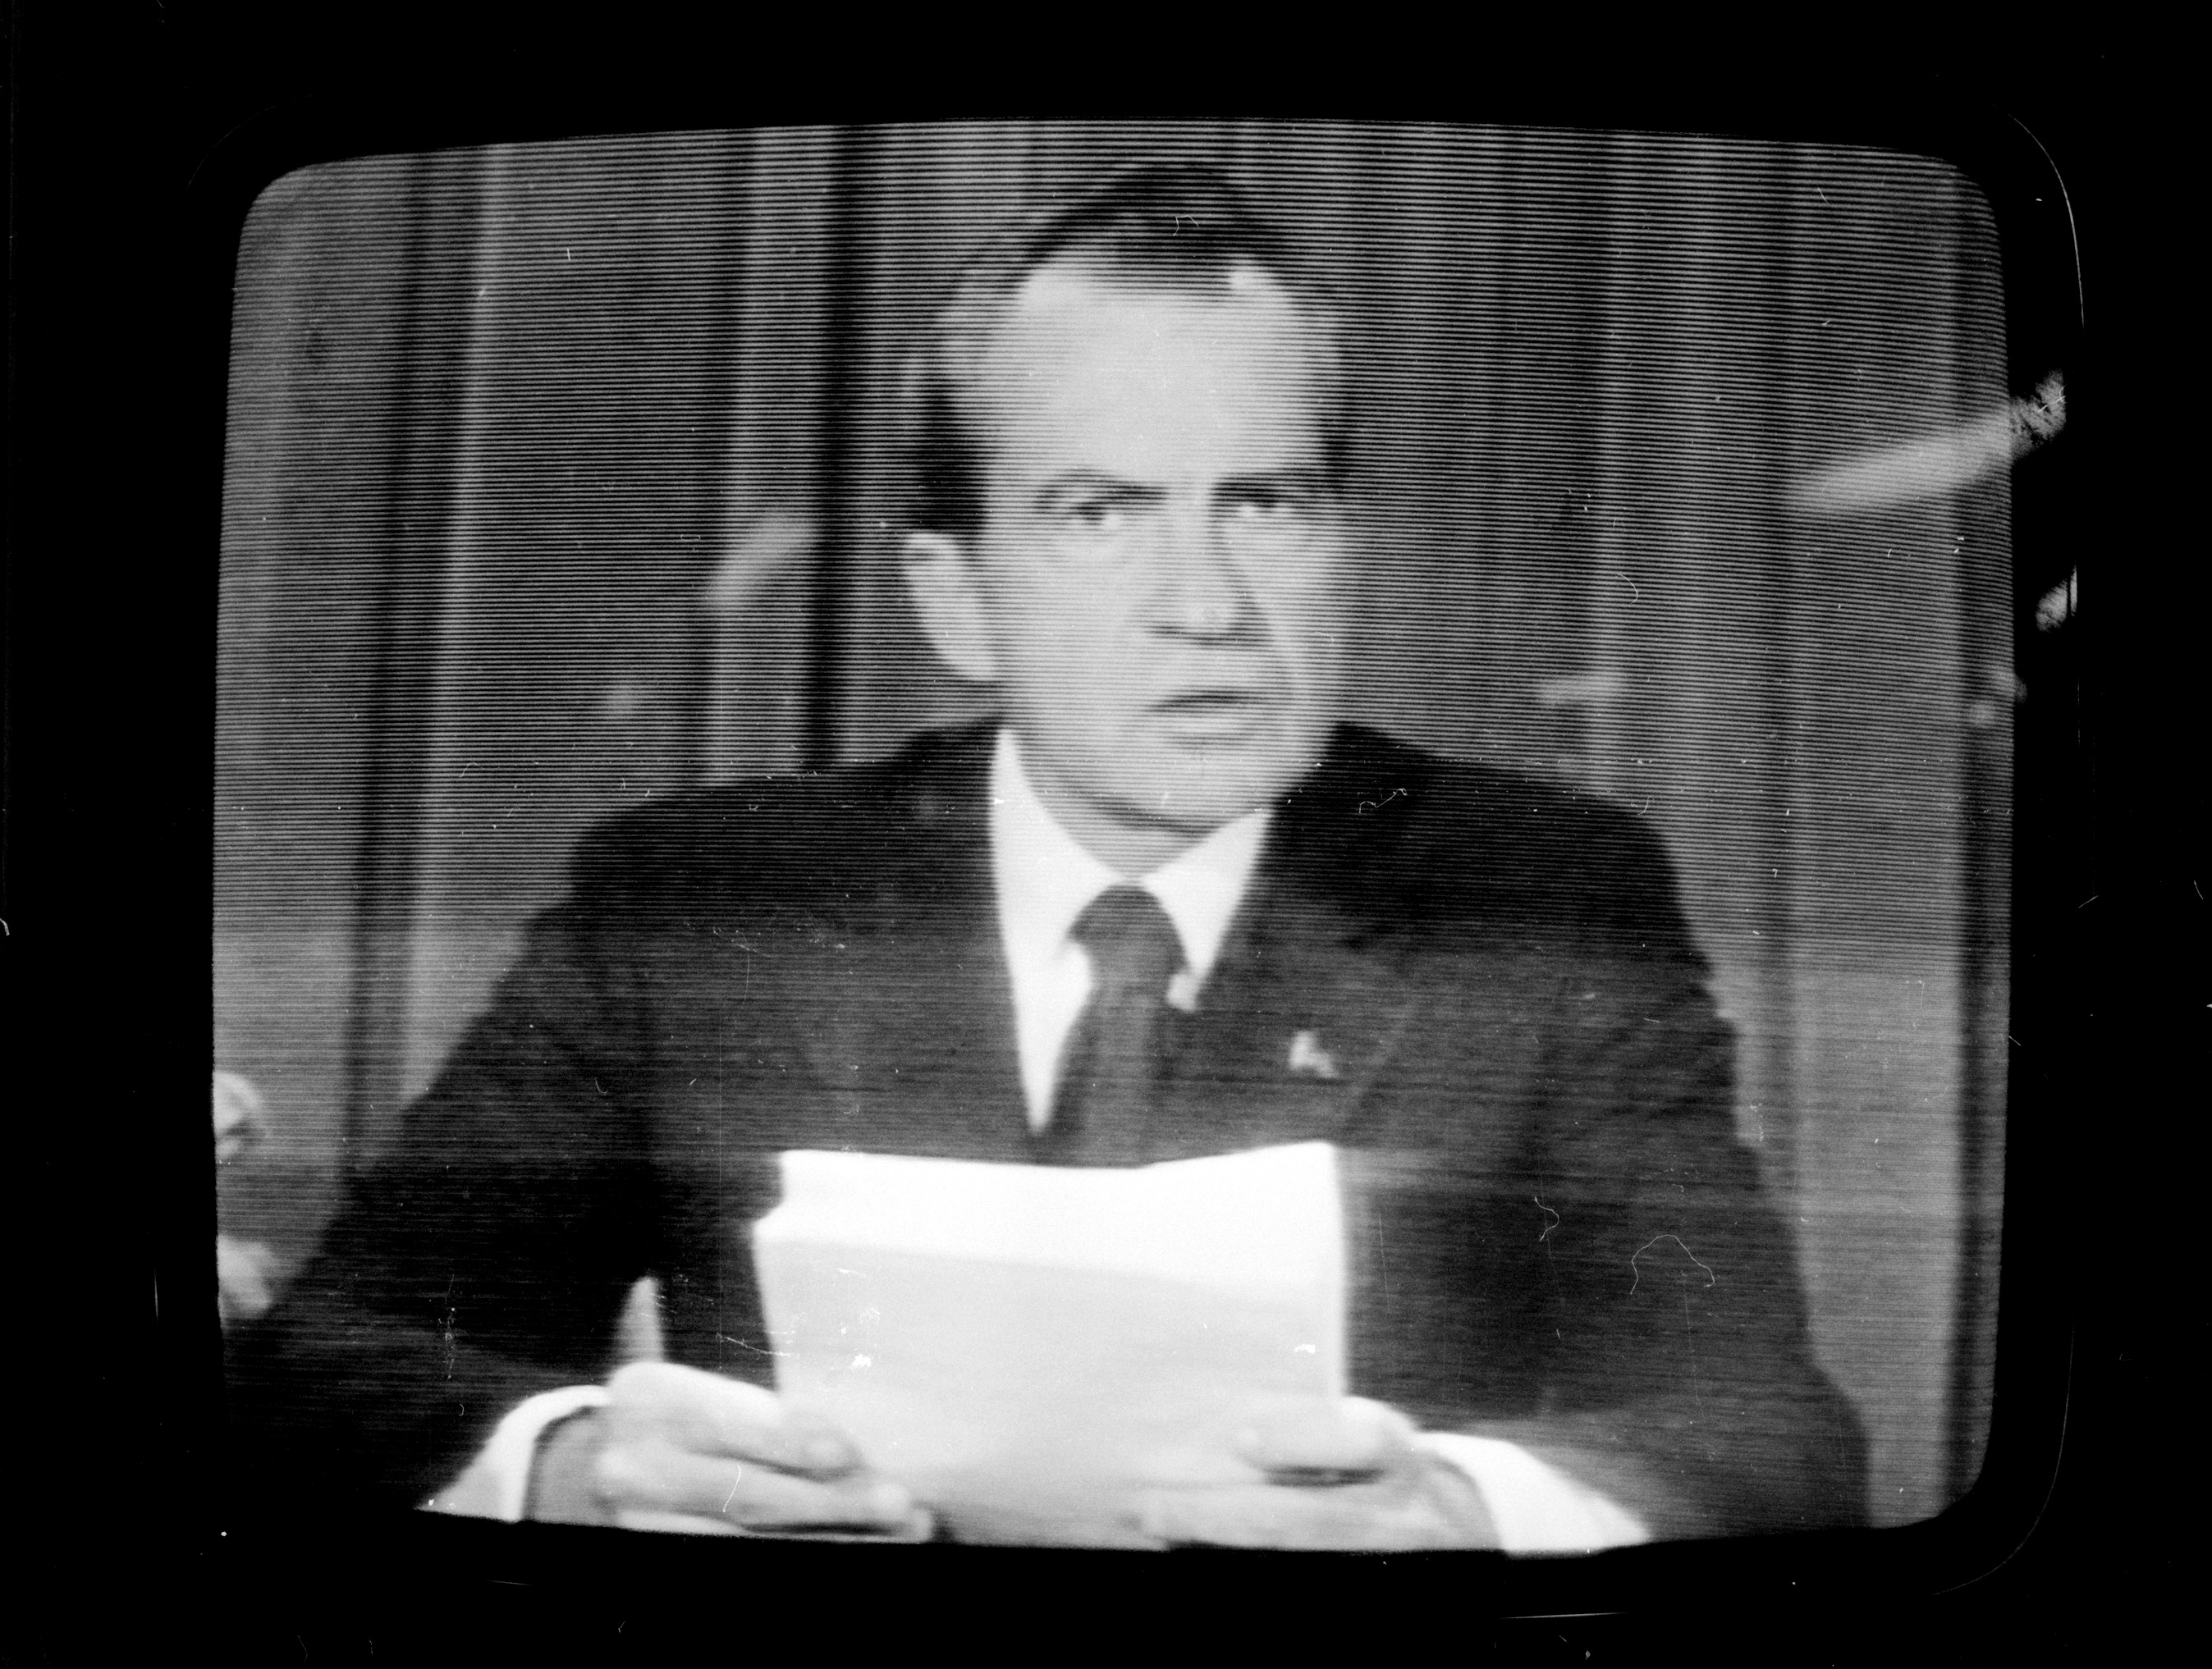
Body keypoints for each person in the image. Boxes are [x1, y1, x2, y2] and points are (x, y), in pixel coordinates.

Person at [227, 161, 1868, 1550]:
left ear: (1343, 545)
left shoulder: (1542, 896)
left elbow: (1765, 1434)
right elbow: (333, 1359)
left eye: (1266, 502)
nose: (1207, 603)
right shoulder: (706, 898)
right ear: (957, 598)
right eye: (1101, 511)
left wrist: (1451, 1507)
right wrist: (578, 1462)